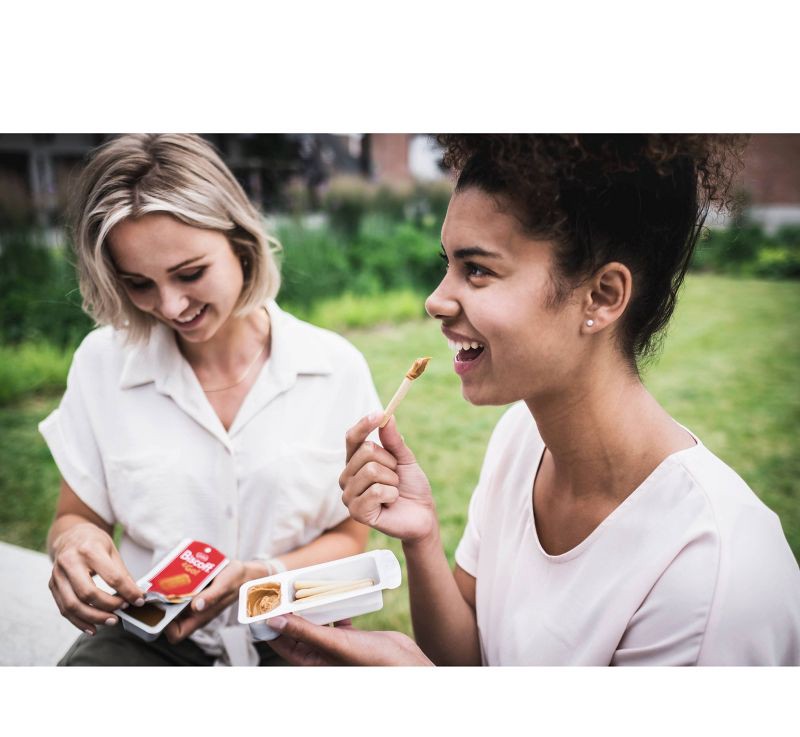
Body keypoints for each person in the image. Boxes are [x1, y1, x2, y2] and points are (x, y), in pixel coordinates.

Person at [264, 134, 800, 666]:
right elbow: (469, 658)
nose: (435, 299)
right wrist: (423, 536)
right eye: (448, 263)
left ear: (602, 296)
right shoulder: (522, 437)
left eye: (477, 269)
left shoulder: (711, 571)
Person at [39, 133, 381, 666]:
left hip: (290, 633)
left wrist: (259, 576)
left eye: (190, 273)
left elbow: (350, 537)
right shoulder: (101, 363)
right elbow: (75, 516)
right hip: (145, 641)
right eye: (138, 284)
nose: (171, 306)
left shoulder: (336, 369)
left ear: (240, 241)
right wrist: (71, 544)